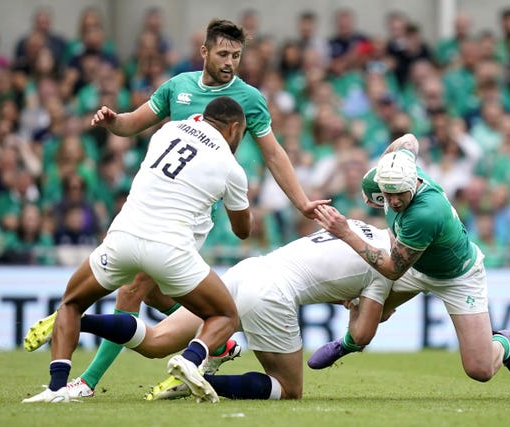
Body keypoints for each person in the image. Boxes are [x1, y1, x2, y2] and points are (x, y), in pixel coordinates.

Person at [35, 18, 328, 398]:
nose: (230, 62)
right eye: (223, 53)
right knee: (154, 293)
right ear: (204, 52)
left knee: (132, 290)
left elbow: (273, 153)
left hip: (189, 218)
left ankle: (86, 382)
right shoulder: (179, 87)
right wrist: (113, 122)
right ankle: (216, 342)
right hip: (163, 211)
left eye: (237, 56)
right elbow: (133, 123)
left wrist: (301, 201)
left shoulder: (250, 99)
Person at [22, 96, 252, 403]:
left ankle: (56, 388)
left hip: (123, 239)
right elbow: (242, 231)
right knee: (224, 314)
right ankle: (193, 358)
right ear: (235, 129)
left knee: (72, 303)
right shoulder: (231, 167)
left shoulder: (168, 131)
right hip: (170, 250)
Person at [25, 218, 394, 400]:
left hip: (244, 270)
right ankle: (205, 374)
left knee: (155, 339)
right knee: (289, 389)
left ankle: (78, 320)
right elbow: (362, 332)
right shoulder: (385, 264)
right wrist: (349, 333)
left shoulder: (358, 227)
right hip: (265, 289)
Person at [306, 133, 510, 390]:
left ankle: (504, 343)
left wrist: (345, 233)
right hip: (413, 263)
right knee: (370, 315)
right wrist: (387, 160)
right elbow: (409, 140)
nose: (393, 201)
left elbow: (393, 269)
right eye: (387, 193)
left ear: (414, 182)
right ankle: (348, 344)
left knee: (479, 370)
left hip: (457, 275)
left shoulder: (425, 213)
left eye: (400, 195)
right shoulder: (393, 173)